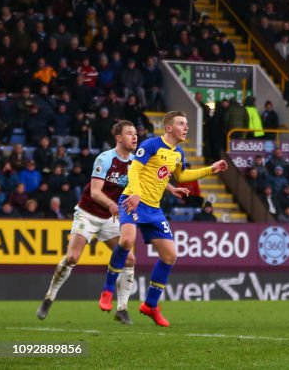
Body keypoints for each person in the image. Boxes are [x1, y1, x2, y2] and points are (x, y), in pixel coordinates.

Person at [36, 121, 185, 324]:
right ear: (118, 138)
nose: (135, 137)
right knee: (72, 257)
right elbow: (95, 192)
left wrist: (171, 189)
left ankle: (122, 308)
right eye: (130, 134)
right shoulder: (105, 159)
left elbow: (154, 177)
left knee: (130, 258)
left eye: (136, 134)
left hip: (112, 216)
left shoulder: (136, 161)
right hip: (88, 214)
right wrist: (112, 205)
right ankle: (49, 297)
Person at [108, 111, 227, 327]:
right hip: (134, 201)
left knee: (170, 255)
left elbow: (181, 176)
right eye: (182, 123)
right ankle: (107, 290)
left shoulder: (178, 153)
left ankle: (150, 305)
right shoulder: (151, 145)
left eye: (187, 123)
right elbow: (134, 169)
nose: (186, 127)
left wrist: (211, 169)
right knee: (126, 242)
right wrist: (134, 192)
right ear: (169, 128)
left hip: (154, 208)